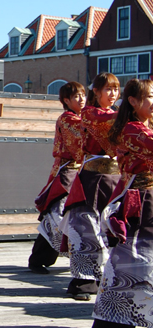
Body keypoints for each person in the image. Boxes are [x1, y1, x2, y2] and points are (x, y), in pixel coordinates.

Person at [92, 78, 153, 328]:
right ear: (134, 101)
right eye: (151, 96)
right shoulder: (132, 129)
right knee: (135, 261)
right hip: (140, 201)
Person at [62, 72, 120, 301]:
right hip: (91, 178)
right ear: (96, 92)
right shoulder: (89, 114)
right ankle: (83, 281)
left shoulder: (119, 116)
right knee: (86, 230)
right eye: (108, 89)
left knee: (112, 228)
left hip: (115, 179)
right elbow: (111, 123)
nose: (113, 94)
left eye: (116, 89)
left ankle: (111, 277)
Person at [29, 81, 86, 274]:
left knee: (60, 216)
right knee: (56, 215)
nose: (81, 99)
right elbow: (81, 143)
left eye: (83, 95)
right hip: (68, 171)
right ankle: (39, 258)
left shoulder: (80, 118)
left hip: (79, 171)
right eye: (76, 96)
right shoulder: (69, 119)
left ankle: (41, 258)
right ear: (66, 101)